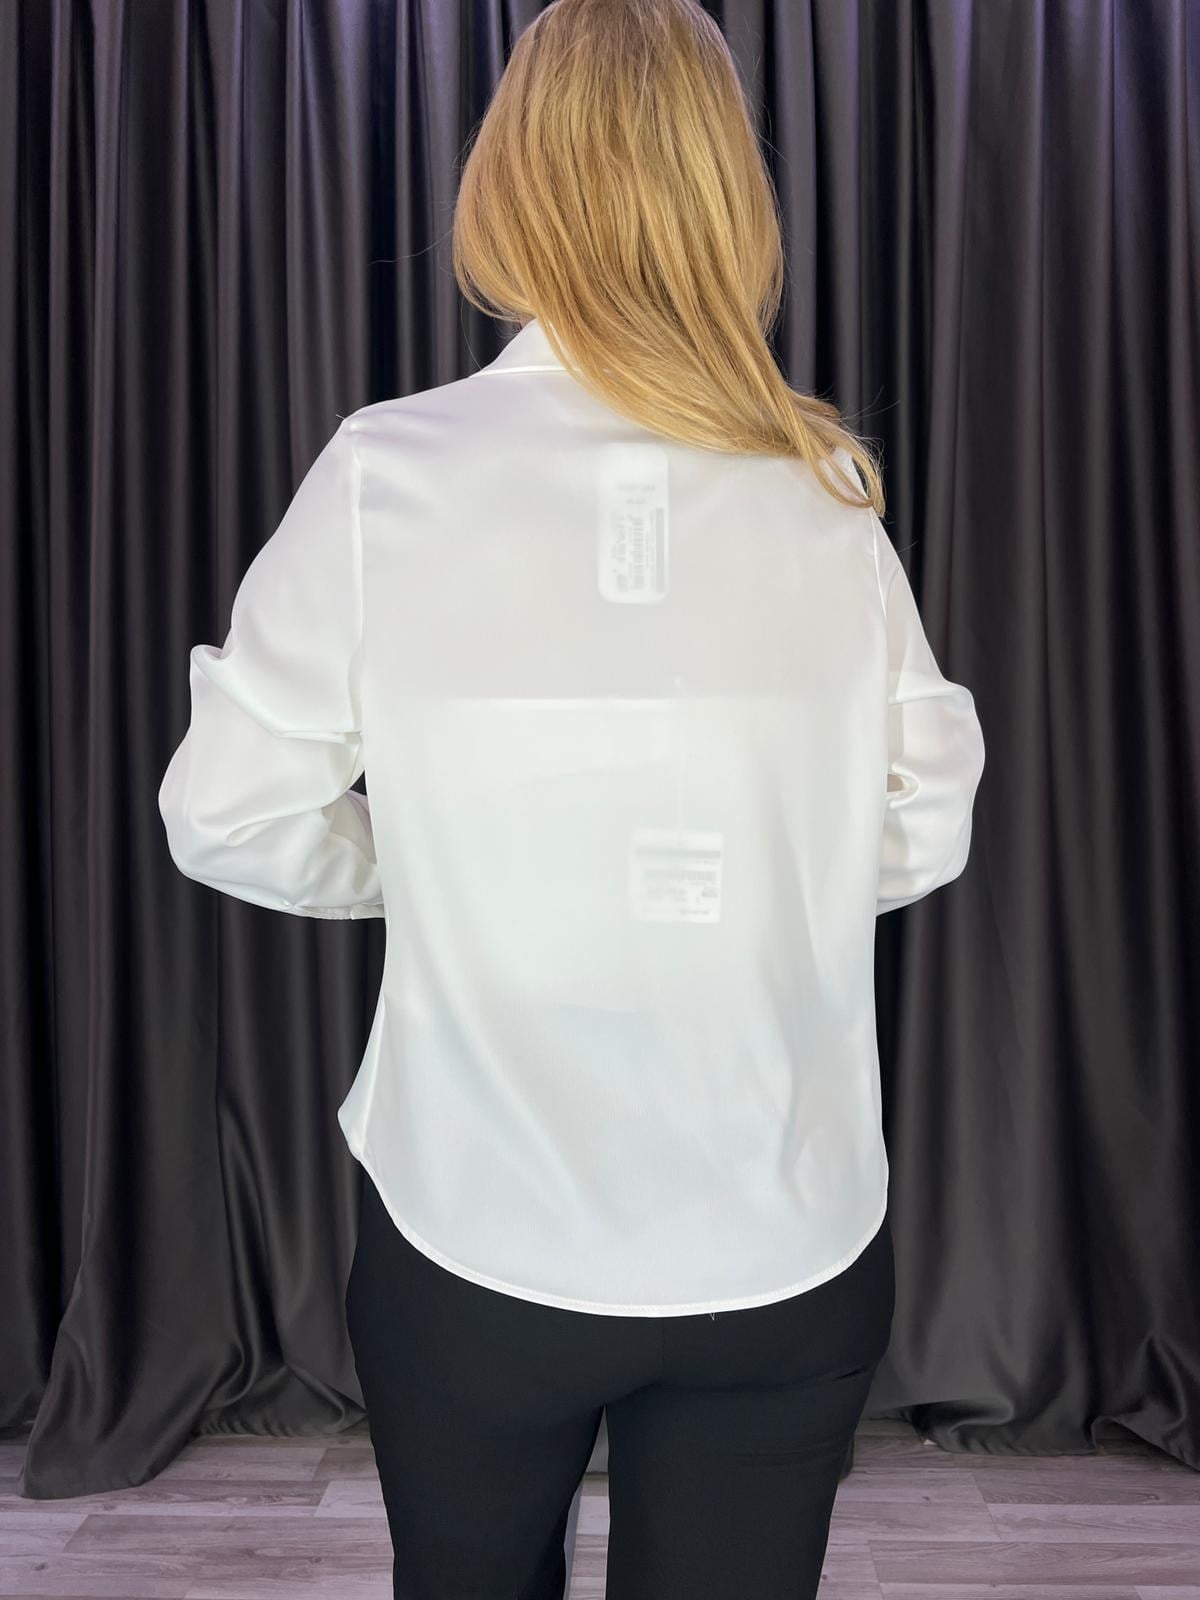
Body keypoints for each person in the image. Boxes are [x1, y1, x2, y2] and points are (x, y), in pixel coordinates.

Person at [157, 0, 985, 1594]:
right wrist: (759, 870)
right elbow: (926, 818)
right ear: (730, 197)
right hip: (781, 1231)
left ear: (508, 181)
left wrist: (452, 870)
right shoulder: (824, 487)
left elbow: (229, 814)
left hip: (478, 1229)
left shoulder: (390, 474)